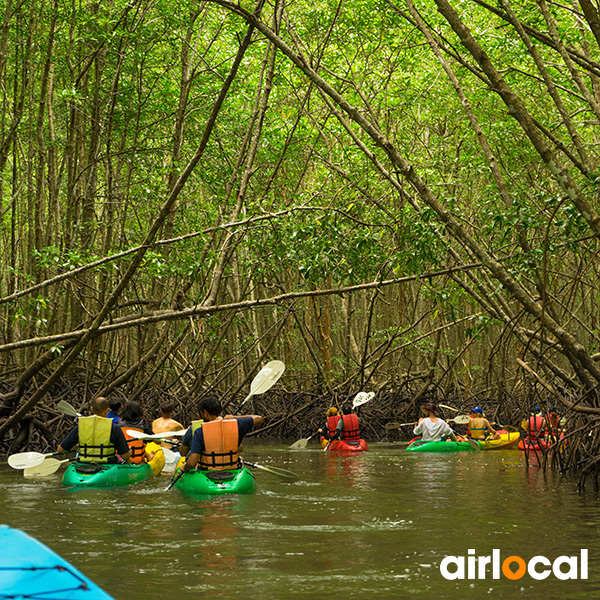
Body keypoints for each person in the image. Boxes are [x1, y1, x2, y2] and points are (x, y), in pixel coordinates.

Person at [180, 396, 263, 473]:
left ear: (205, 413)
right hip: (233, 469)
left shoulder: (199, 431)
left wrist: (184, 467)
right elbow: (259, 418)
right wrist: (234, 418)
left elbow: (191, 463)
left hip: (207, 471)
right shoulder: (237, 424)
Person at [57, 396, 132, 463]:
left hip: (83, 464)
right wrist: (129, 452)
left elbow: (60, 449)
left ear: (91, 409)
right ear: (106, 411)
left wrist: (76, 446)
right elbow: (125, 456)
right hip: (107, 463)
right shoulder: (115, 428)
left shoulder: (80, 427)